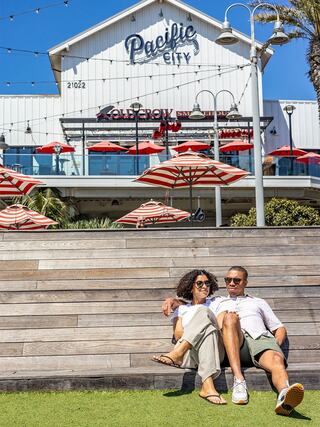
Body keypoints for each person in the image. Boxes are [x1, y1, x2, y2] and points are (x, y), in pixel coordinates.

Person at [161, 266, 304, 416]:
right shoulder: (218, 300)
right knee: (229, 317)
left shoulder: (258, 302)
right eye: (228, 280)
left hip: (257, 338)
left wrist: (275, 345)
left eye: (237, 280)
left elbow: (279, 328)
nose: (232, 283)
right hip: (231, 341)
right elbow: (193, 304)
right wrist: (173, 301)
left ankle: (284, 397)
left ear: (245, 282)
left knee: (275, 360)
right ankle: (239, 380)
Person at [153, 269, 227, 405]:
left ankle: (176, 354)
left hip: (216, 351)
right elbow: (179, 335)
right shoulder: (181, 309)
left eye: (207, 283)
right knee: (207, 327)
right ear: (191, 287)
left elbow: (221, 327)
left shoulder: (217, 302)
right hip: (190, 355)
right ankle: (208, 387)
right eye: (199, 283)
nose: (204, 286)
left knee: (206, 317)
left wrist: (202, 324)